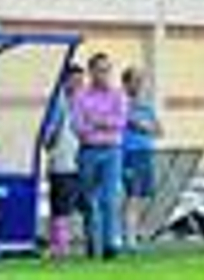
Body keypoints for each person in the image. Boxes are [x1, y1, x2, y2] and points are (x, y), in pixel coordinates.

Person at [71, 52, 128, 259]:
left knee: (109, 199)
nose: (104, 74)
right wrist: (104, 121)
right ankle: (92, 243)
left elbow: (120, 123)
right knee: (89, 200)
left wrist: (95, 121)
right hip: (88, 152)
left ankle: (109, 244)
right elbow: (78, 126)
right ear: (92, 72)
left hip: (112, 151)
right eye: (100, 70)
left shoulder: (119, 95)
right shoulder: (81, 96)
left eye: (107, 70)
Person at [44, 63, 84, 258]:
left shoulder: (79, 101)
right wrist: (49, 143)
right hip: (61, 160)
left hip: (76, 160)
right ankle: (59, 246)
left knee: (67, 205)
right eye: (75, 80)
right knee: (60, 205)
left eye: (80, 80)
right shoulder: (58, 102)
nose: (78, 84)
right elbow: (49, 132)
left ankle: (61, 243)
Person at [122, 66, 163, 247]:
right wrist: (140, 125)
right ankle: (127, 237)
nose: (139, 85)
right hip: (129, 154)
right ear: (126, 83)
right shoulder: (121, 104)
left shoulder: (146, 106)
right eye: (135, 80)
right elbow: (132, 123)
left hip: (145, 153)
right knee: (130, 196)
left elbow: (158, 130)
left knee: (141, 197)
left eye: (141, 81)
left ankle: (134, 232)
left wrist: (145, 126)